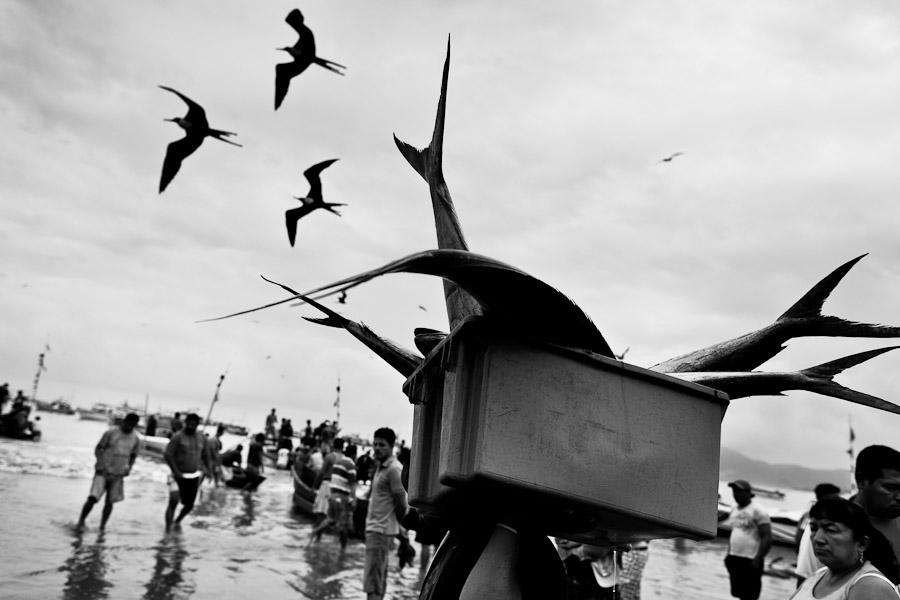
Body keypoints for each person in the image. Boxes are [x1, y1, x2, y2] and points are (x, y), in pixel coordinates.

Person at [795, 445, 900, 584]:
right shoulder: (826, 526)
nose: (899, 496)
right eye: (891, 488)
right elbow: (807, 586)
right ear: (861, 481)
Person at [789, 497, 900, 600]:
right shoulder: (817, 576)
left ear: (862, 544)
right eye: (814, 528)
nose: (818, 539)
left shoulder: (871, 587)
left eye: (831, 530)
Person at [363, 427, 409, 600]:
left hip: (380, 531)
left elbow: (401, 504)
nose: (376, 448)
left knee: (373, 585)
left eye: (381, 445)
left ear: (392, 445)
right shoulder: (381, 466)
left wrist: (399, 525)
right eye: (374, 444)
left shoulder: (393, 469)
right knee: (378, 582)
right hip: (377, 530)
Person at [77, 412, 141, 531]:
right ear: (124, 421)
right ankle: (81, 521)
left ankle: (102, 526)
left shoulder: (135, 438)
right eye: (128, 424)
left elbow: (133, 455)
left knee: (110, 502)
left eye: (132, 425)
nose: (129, 427)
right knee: (92, 498)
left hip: (118, 474)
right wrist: (100, 463)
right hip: (103, 472)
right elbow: (98, 448)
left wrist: (129, 467)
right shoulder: (111, 433)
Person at [721, 479, 772, 600]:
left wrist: (757, 559)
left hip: (750, 559)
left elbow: (767, 537)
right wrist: (729, 555)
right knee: (738, 593)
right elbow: (735, 533)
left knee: (750, 595)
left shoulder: (758, 511)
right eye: (734, 491)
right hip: (734, 557)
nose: (736, 494)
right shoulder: (734, 510)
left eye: (739, 491)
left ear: (749, 493)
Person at [163, 413, 211, 531]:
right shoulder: (177, 437)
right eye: (188, 424)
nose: (190, 426)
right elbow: (168, 455)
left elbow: (206, 455)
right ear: (185, 423)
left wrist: (208, 469)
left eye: (193, 425)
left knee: (189, 505)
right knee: (173, 500)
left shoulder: (202, 438)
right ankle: (167, 529)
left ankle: (177, 521)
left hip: (193, 476)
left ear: (197, 425)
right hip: (176, 475)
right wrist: (176, 471)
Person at [311, 441, 358, 547]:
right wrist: (353, 499)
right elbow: (352, 484)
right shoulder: (350, 464)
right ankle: (343, 552)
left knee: (327, 517)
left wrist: (314, 486)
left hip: (332, 492)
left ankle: (316, 534)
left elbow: (322, 473)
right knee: (343, 525)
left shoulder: (336, 460)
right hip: (341, 496)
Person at [795, 483, 843, 584]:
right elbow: (799, 534)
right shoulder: (810, 515)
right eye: (835, 498)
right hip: (808, 564)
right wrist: (800, 553)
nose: (838, 500)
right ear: (823, 497)